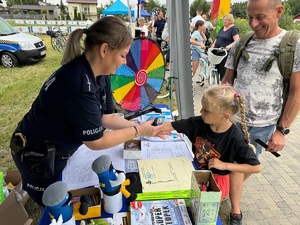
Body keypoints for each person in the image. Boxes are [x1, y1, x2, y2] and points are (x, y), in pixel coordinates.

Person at [9, 17, 164, 207]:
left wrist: (138, 126)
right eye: (123, 55)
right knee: (57, 206)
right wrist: (138, 131)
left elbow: (105, 118)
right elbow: (96, 141)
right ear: (104, 49)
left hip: (56, 147)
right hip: (37, 154)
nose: (125, 62)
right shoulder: (79, 85)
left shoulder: (100, 72)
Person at [158, 85, 262, 225]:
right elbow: (173, 125)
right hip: (197, 175)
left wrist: (223, 165)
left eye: (206, 110)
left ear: (225, 116)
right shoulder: (198, 122)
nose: (201, 112)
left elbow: (256, 168)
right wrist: (153, 128)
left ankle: (235, 212)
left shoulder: (235, 137)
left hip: (217, 183)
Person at [222, 0, 300, 157]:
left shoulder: (294, 45)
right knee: (224, 167)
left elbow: (296, 92)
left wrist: (281, 131)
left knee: (240, 170)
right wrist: (219, 111)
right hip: (231, 121)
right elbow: (227, 83)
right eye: (250, 17)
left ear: (278, 11)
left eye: (260, 17)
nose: (254, 24)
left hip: (263, 128)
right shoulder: (241, 43)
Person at [211, 14, 239, 81]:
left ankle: (224, 86)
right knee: (216, 67)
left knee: (223, 70)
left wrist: (229, 46)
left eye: (225, 19)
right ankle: (217, 83)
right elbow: (217, 38)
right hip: (217, 51)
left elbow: (237, 40)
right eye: (223, 19)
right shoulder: (222, 28)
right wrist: (213, 45)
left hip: (225, 52)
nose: (224, 21)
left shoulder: (233, 29)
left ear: (230, 20)